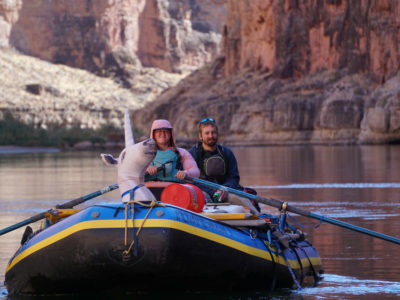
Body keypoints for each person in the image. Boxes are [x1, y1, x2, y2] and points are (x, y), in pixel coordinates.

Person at [189, 118, 260, 213]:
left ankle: (257, 215)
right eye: (207, 133)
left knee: (242, 199)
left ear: (217, 134)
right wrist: (212, 192)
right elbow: (190, 180)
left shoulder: (227, 153)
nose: (211, 136)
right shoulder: (191, 155)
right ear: (200, 136)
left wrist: (224, 189)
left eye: (213, 132)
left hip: (226, 191)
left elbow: (234, 177)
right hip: (204, 192)